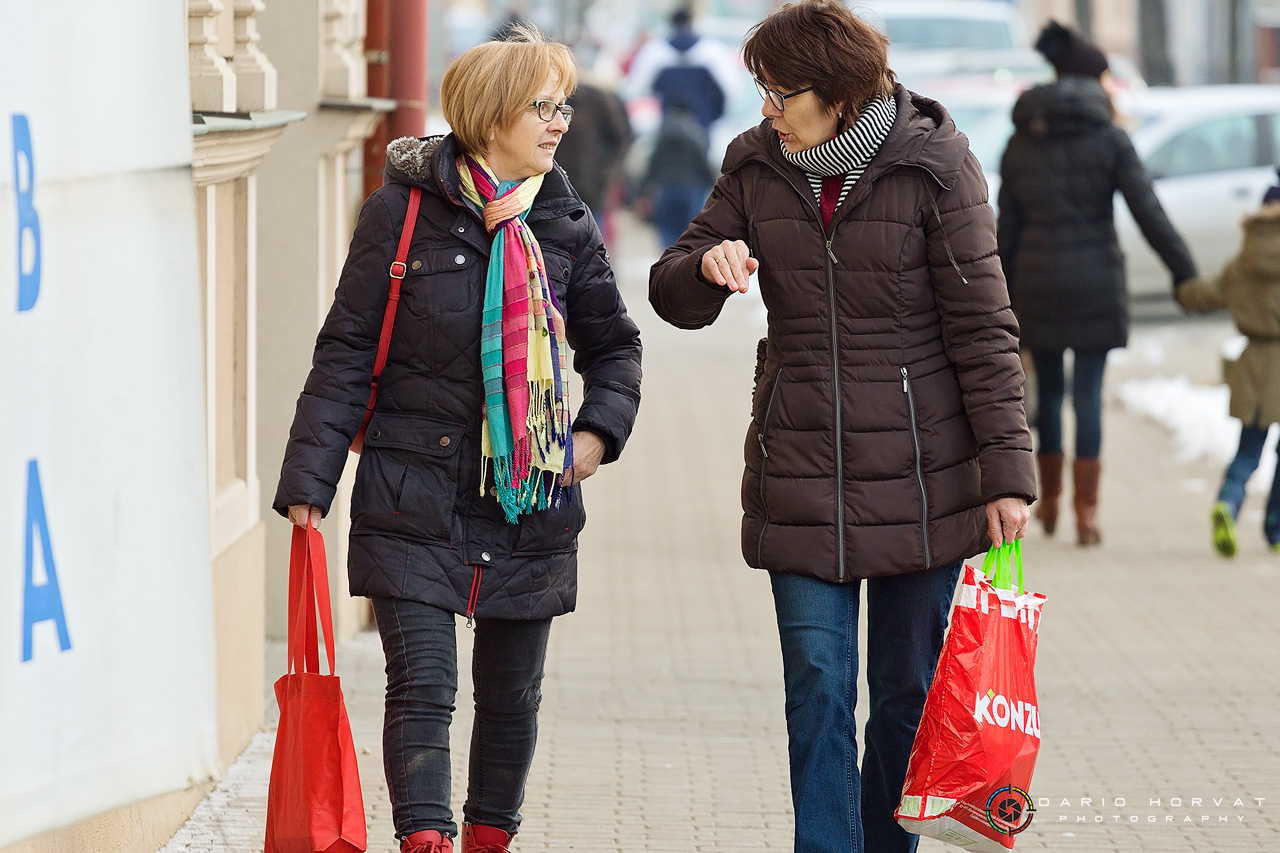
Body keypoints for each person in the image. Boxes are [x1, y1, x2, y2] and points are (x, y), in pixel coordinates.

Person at [648, 3, 1035, 852]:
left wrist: (1008, 473)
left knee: (905, 691)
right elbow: (671, 281)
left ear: (839, 94)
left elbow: (985, 328)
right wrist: (704, 271)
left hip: (924, 477)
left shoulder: (936, 165)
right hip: (802, 471)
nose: (766, 110)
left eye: (780, 92)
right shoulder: (754, 163)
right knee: (818, 685)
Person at [273, 30, 642, 853]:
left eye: (562, 105)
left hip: (529, 497)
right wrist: (311, 478)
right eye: (542, 106)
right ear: (490, 115)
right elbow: (344, 350)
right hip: (413, 491)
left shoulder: (565, 221)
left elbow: (614, 346)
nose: (558, 122)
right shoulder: (400, 214)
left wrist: (596, 432)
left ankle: (485, 840)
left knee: (512, 698)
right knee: (423, 688)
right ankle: (426, 841)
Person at [998, 20, 1197, 546]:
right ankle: (1087, 514)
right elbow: (1149, 212)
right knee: (1087, 394)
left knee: (1050, 393)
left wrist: (994, 297)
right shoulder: (1111, 139)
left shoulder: (1022, 140)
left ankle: (1051, 504)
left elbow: (1005, 231)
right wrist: (1185, 274)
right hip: (1094, 283)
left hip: (1036, 283)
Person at [1176, 182, 1280, 557]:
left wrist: (1182, 287)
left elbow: (1207, 294)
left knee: (1249, 449)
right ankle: (1276, 528)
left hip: (1255, 365)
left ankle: (1229, 504)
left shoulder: (1244, 262)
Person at [624, 6, 736, 132]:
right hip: (703, 125)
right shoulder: (712, 50)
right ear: (692, 22)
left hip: (667, 125)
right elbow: (731, 90)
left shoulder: (654, 51)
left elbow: (636, 87)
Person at [554, 76, 632, 236]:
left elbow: (621, 138)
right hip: (561, 184)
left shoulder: (597, 99)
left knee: (591, 238)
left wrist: (606, 171)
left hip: (589, 185)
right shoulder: (551, 101)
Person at [640, 97, 719, 248]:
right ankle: (685, 264)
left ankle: (669, 263)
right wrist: (715, 187)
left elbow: (652, 164)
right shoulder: (695, 132)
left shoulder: (661, 133)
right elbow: (703, 162)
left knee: (667, 231)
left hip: (665, 188)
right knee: (691, 232)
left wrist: (642, 191)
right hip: (692, 189)